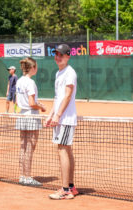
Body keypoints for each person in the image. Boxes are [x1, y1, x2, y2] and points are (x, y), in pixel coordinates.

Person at [45, 44, 79, 200]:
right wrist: (51, 115)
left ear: (68, 56)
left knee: (63, 150)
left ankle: (65, 190)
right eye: (56, 54)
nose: (57, 57)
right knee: (66, 150)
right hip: (60, 118)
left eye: (61, 55)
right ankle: (71, 187)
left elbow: (67, 96)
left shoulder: (70, 73)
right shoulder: (59, 73)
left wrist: (58, 116)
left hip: (65, 119)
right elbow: (57, 97)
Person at [15, 57, 46, 186]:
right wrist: (41, 107)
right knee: (30, 147)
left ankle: (23, 176)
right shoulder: (30, 82)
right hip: (32, 116)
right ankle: (27, 177)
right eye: (36, 66)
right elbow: (32, 103)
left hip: (21, 115)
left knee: (23, 146)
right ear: (32, 68)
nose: (37, 69)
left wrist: (34, 104)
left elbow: (18, 102)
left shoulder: (19, 81)